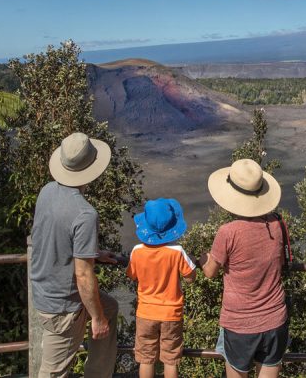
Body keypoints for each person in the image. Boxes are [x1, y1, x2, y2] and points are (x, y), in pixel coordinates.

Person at [30, 132, 119, 378]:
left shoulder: (47, 191)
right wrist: (97, 318)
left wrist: (92, 253)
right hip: (63, 304)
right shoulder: (85, 213)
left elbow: (54, 236)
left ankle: (98, 373)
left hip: (43, 289)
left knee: (110, 307)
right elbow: (82, 274)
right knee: (53, 371)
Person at [197, 158, 288, 378]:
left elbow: (210, 272)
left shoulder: (228, 232)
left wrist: (203, 258)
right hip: (275, 319)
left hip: (240, 324)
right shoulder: (277, 225)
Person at [127, 197, 196, 378]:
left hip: (146, 313)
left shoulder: (136, 251)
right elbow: (190, 278)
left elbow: (131, 275)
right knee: (170, 359)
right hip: (171, 314)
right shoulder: (177, 252)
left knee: (146, 358)